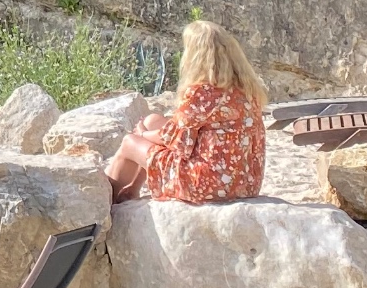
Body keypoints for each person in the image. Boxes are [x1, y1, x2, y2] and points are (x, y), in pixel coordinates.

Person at [109, 21, 268, 204]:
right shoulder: (248, 90)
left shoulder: (203, 93)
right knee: (153, 120)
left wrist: (142, 134)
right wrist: (150, 131)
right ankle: (133, 189)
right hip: (245, 183)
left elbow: (175, 140)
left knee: (130, 142)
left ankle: (108, 199)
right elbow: (182, 132)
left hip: (208, 185)